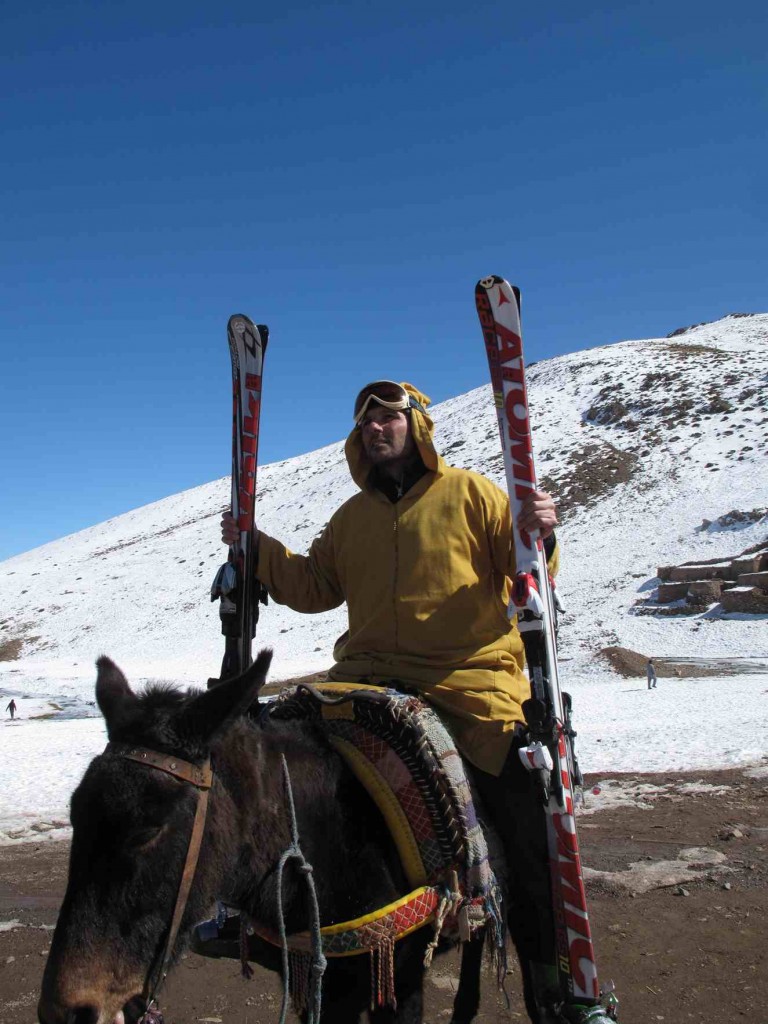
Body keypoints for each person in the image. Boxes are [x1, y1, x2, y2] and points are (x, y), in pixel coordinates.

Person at [221, 380, 599, 1023]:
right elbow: (315, 586)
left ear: (417, 426)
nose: (375, 429)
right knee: (271, 762)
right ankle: (246, 907)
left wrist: (542, 533)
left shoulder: (472, 494)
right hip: (365, 680)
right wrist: (256, 549)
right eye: (365, 421)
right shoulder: (352, 517)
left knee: (523, 817)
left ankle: (554, 983)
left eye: (389, 417)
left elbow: (526, 567)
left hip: (467, 684)